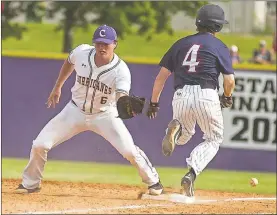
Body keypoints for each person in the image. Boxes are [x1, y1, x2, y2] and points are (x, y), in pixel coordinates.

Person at [15, 24, 163, 196]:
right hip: (74, 111)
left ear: (115, 44)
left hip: (105, 115)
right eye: (98, 43)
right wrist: (58, 86)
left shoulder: (121, 70)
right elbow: (69, 61)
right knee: (40, 144)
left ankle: (154, 182)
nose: (101, 47)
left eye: (106, 43)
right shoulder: (82, 53)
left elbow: (122, 94)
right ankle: (31, 183)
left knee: (129, 151)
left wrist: (123, 101)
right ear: (94, 43)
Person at [146, 4, 235, 197]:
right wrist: (227, 97)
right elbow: (229, 80)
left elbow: (161, 76)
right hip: (206, 94)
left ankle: (175, 129)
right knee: (213, 139)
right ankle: (191, 174)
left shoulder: (181, 43)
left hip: (181, 94)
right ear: (218, 26)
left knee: (185, 136)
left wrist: (154, 103)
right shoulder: (219, 46)